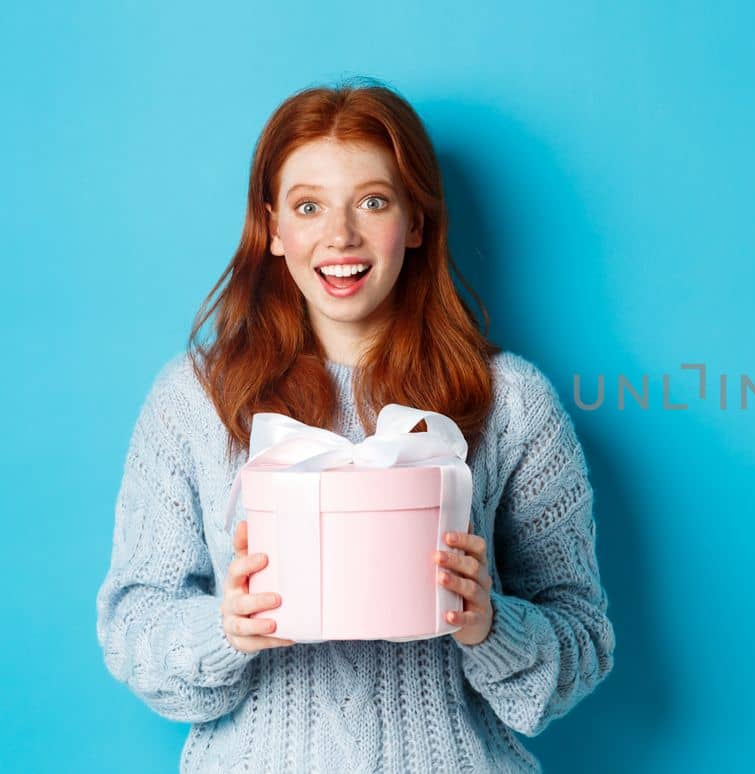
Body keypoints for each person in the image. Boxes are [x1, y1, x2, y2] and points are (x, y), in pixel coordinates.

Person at [94, 77, 615, 772]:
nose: (340, 236)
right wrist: (227, 629)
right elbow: (132, 623)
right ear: (274, 228)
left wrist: (490, 625)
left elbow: (584, 639)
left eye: (373, 202)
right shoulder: (193, 400)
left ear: (418, 222)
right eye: (309, 206)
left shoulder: (510, 401)